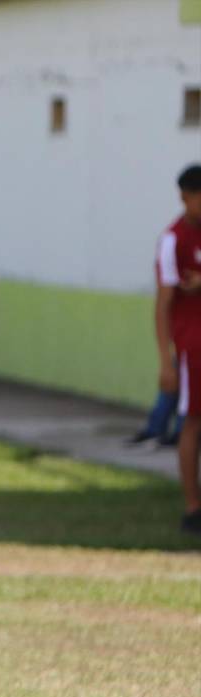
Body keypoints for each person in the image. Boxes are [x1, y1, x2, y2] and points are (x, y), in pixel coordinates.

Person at [154, 163, 201, 533]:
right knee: (193, 423)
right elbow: (164, 302)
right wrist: (165, 360)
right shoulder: (174, 239)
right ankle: (192, 506)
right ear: (185, 197)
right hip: (192, 346)